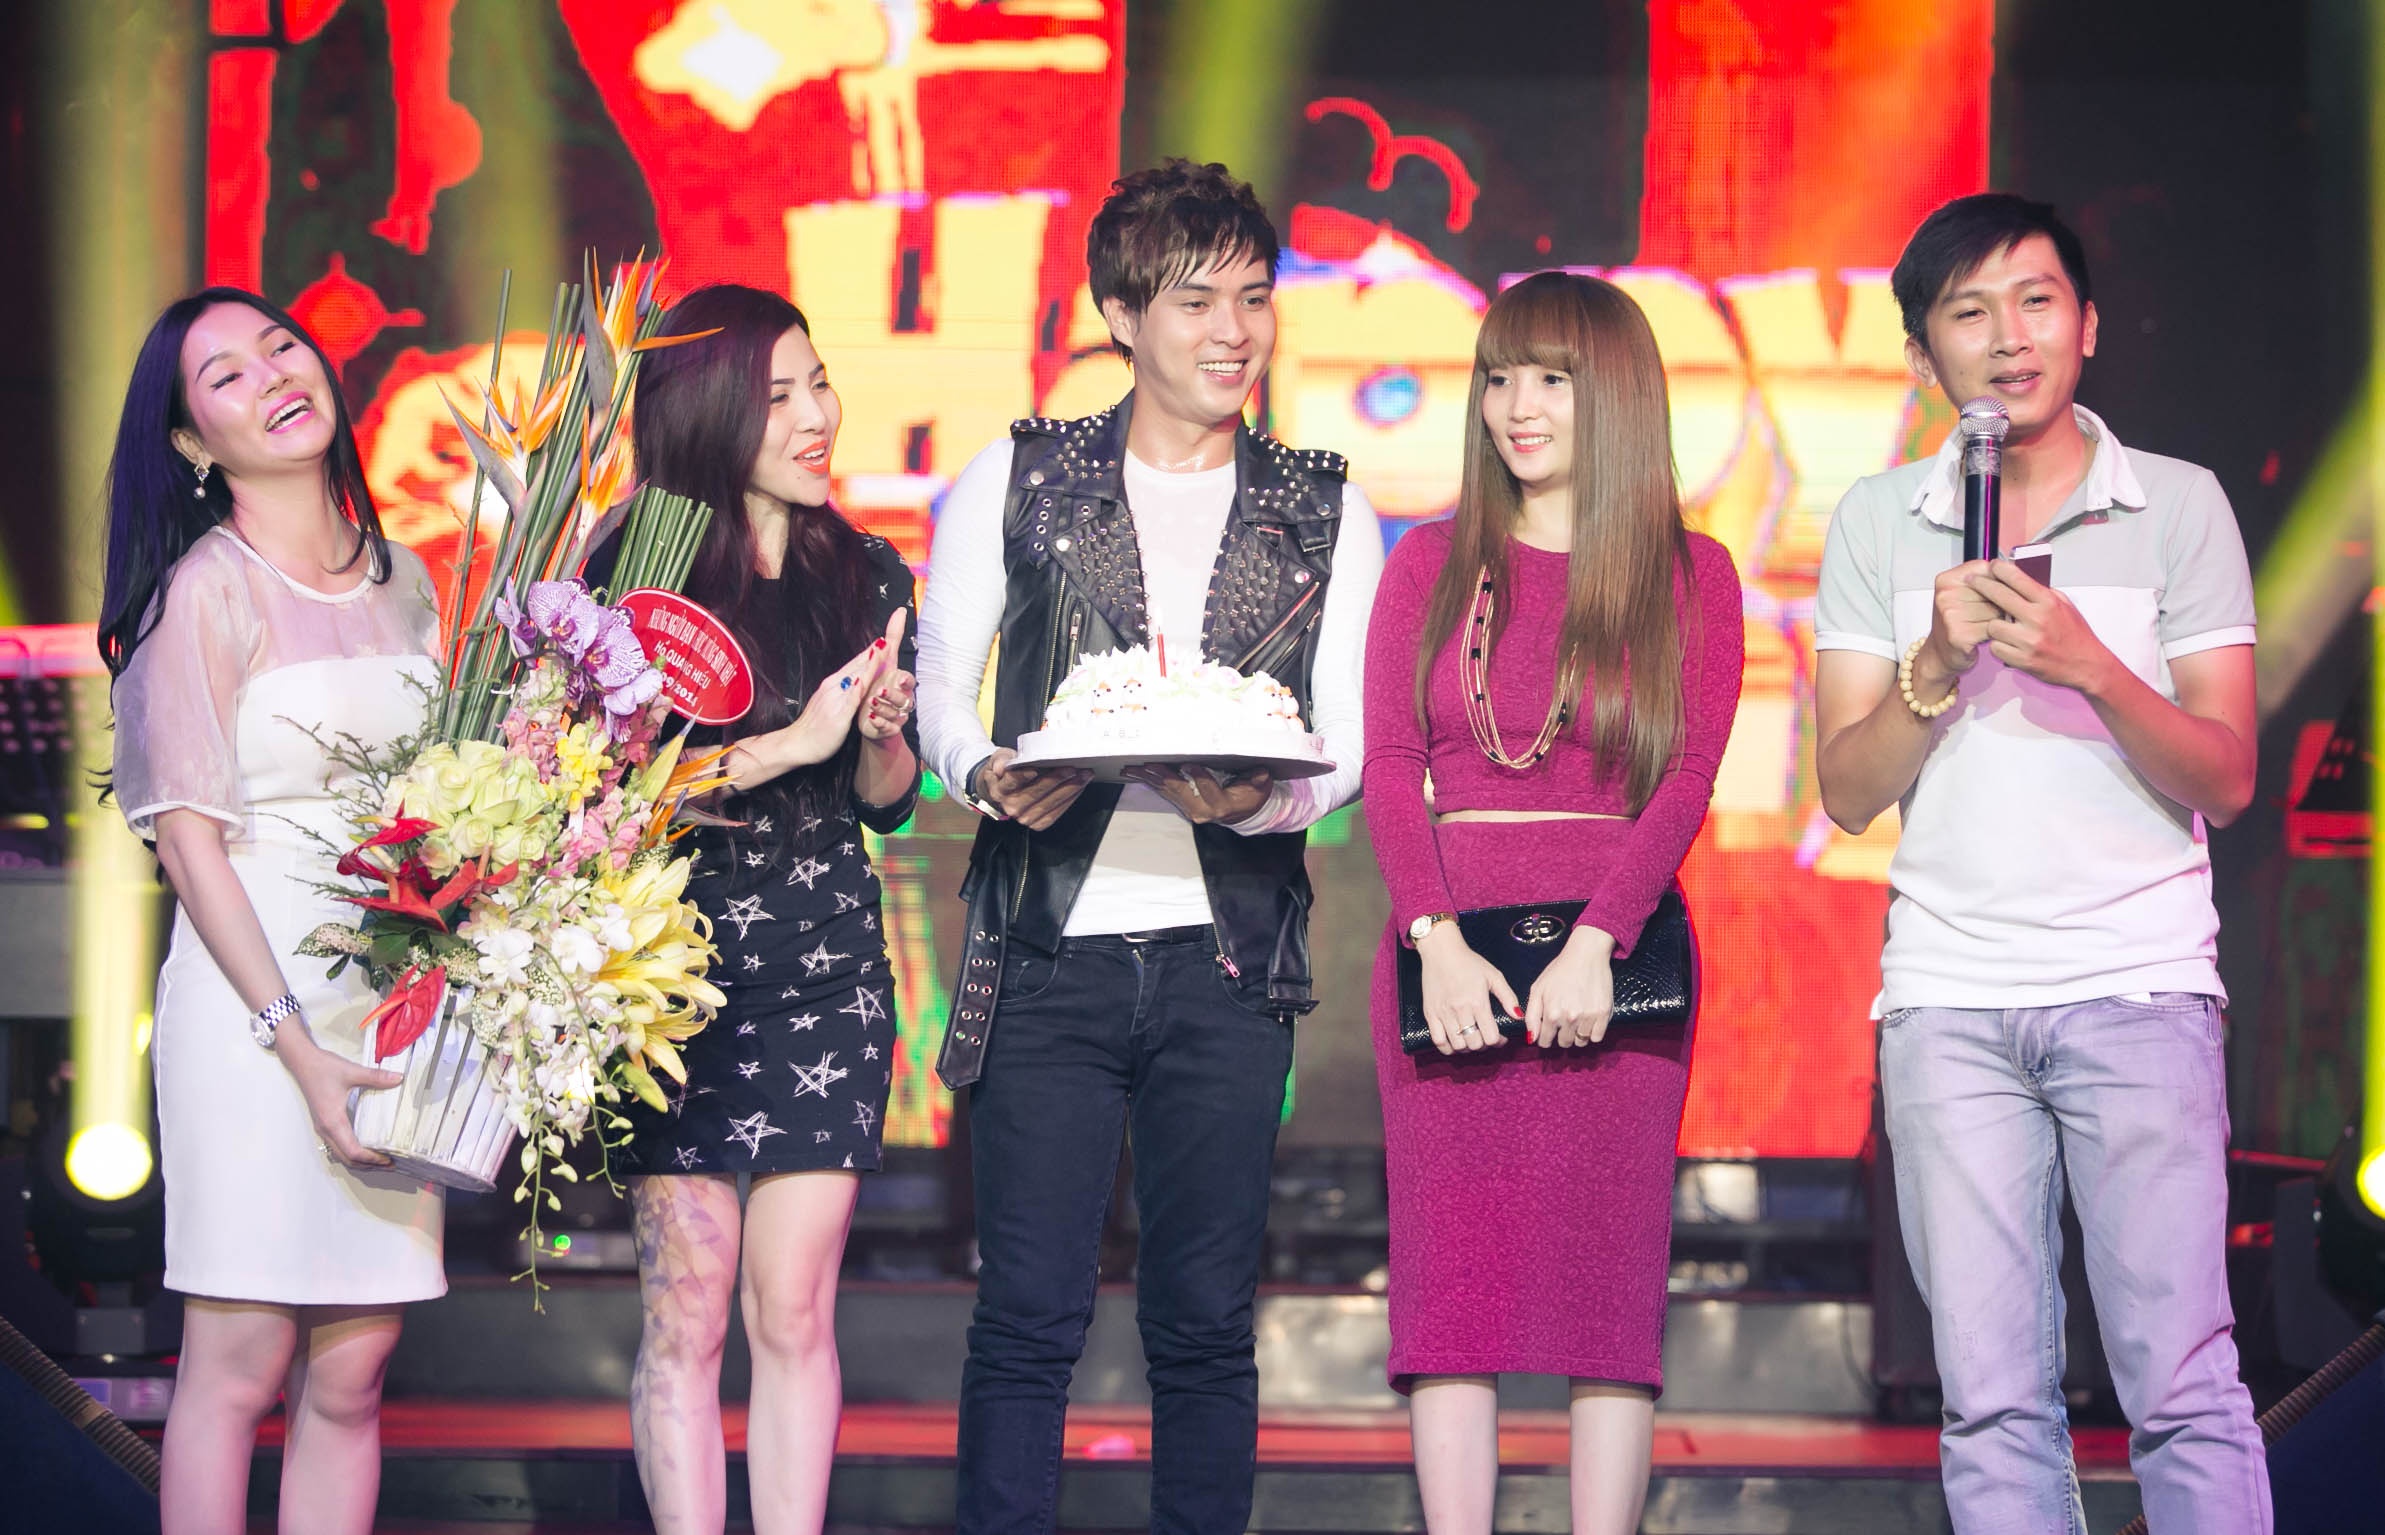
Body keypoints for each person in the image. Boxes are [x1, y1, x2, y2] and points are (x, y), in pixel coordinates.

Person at [915, 158, 1384, 1534]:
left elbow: (1348, 744)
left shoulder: (1322, 502)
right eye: (1196, 301)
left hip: (1227, 965)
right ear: (1121, 315)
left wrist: (1254, 806)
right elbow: (941, 685)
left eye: (1254, 298)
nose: (1234, 331)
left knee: (1205, 1320)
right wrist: (985, 770)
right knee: (1026, 1316)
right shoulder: (1023, 473)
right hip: (1045, 953)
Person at [1812, 193, 2267, 1533]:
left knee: (2182, 1385)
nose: (2009, 336)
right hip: (1949, 1001)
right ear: (1921, 354)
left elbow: (2226, 775)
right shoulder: (1878, 519)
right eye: (1970, 311)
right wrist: (1935, 663)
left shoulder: (2175, 503)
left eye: (2036, 299)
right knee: (1992, 1400)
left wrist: (2091, 665)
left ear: (2087, 324)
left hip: (2139, 986)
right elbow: (1847, 790)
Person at [1362, 271, 1743, 1535]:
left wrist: (1597, 940)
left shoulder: (1692, 572)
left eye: (1552, 378)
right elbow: (1391, 765)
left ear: (1615, 392)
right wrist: (1432, 941)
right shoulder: (1429, 562)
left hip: (1614, 958)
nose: (1516, 405)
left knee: (1605, 1303)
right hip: (1447, 955)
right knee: (1450, 1304)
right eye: (1499, 376)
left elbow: (1686, 776)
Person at [101, 289, 445, 1535]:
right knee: (239, 1361)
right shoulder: (203, 588)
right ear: (192, 441)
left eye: (281, 347)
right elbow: (189, 844)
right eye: (228, 377)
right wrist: (292, 1040)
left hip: (384, 998)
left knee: (354, 1371)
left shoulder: (409, 577)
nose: (274, 378)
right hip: (255, 1007)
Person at [585, 284, 920, 1535]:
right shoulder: (634, 567)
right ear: (710, 412)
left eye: (818, 381)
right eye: (779, 395)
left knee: (793, 1306)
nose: (816, 414)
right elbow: (596, 797)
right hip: (663, 975)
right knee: (687, 1308)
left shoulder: (864, 568)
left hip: (827, 969)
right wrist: (790, 744)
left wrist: (879, 736)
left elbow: (885, 800)